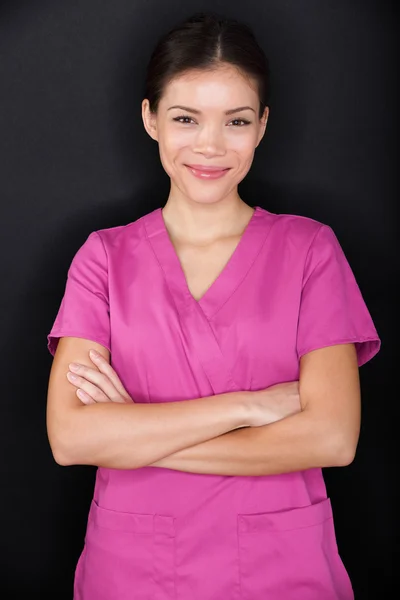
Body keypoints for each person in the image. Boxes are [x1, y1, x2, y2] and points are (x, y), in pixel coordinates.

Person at [46, 11, 381, 600]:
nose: (210, 145)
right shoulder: (104, 258)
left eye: (236, 121)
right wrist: (252, 407)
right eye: (185, 118)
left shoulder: (310, 250)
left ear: (263, 125)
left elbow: (332, 438)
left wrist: (137, 436)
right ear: (150, 119)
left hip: (281, 565)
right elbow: (72, 439)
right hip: (132, 568)